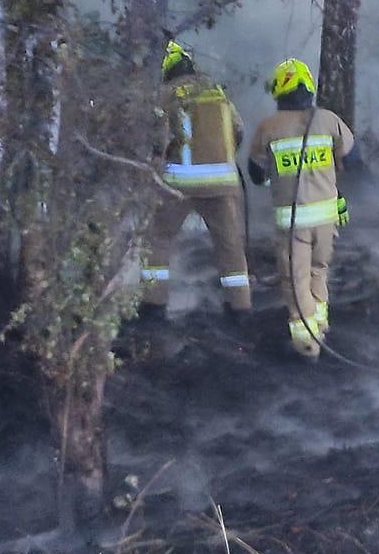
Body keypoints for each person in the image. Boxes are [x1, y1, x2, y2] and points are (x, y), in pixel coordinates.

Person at [247, 58, 358, 359]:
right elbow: (354, 158)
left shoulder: (268, 127)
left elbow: (256, 175)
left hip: (293, 222)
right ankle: (320, 325)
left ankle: (307, 345)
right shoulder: (329, 120)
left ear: (279, 91)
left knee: (296, 282)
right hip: (326, 217)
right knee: (319, 270)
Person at [138, 41, 252, 323]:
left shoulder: (165, 95)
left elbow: (157, 138)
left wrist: (156, 159)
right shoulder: (218, 93)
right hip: (223, 183)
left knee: (158, 239)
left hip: (179, 183)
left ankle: (153, 307)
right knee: (230, 245)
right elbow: (237, 131)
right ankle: (240, 309)